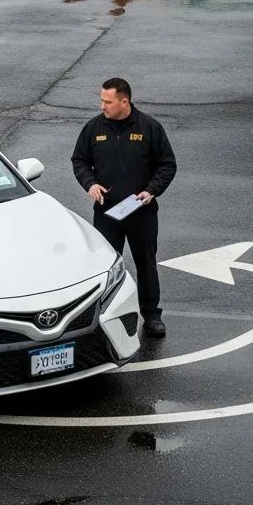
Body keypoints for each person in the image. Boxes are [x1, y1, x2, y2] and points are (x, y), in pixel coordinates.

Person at [72, 78, 177, 337]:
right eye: (102, 101)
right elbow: (80, 160)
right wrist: (91, 184)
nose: (102, 106)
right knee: (106, 268)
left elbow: (167, 165)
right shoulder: (93, 128)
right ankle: (102, 317)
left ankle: (151, 316)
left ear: (124, 101)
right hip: (107, 214)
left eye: (107, 102)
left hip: (141, 212)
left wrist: (152, 190)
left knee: (146, 264)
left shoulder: (150, 128)